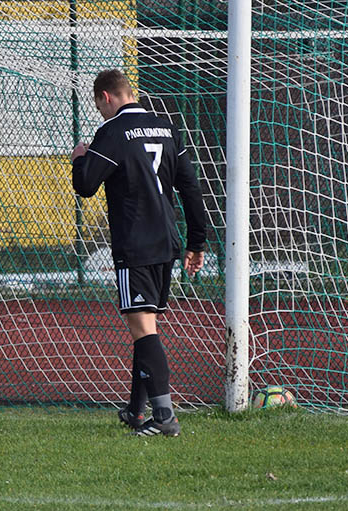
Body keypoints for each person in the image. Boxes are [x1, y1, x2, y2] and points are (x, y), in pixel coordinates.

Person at [71, 69, 207, 437]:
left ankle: (164, 419)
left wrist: (80, 157)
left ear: (107, 97)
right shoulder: (166, 127)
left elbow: (85, 186)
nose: (99, 111)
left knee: (143, 329)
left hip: (136, 244)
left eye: (98, 104)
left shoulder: (112, 133)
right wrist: (196, 242)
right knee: (145, 325)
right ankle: (135, 411)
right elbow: (190, 188)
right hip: (167, 243)